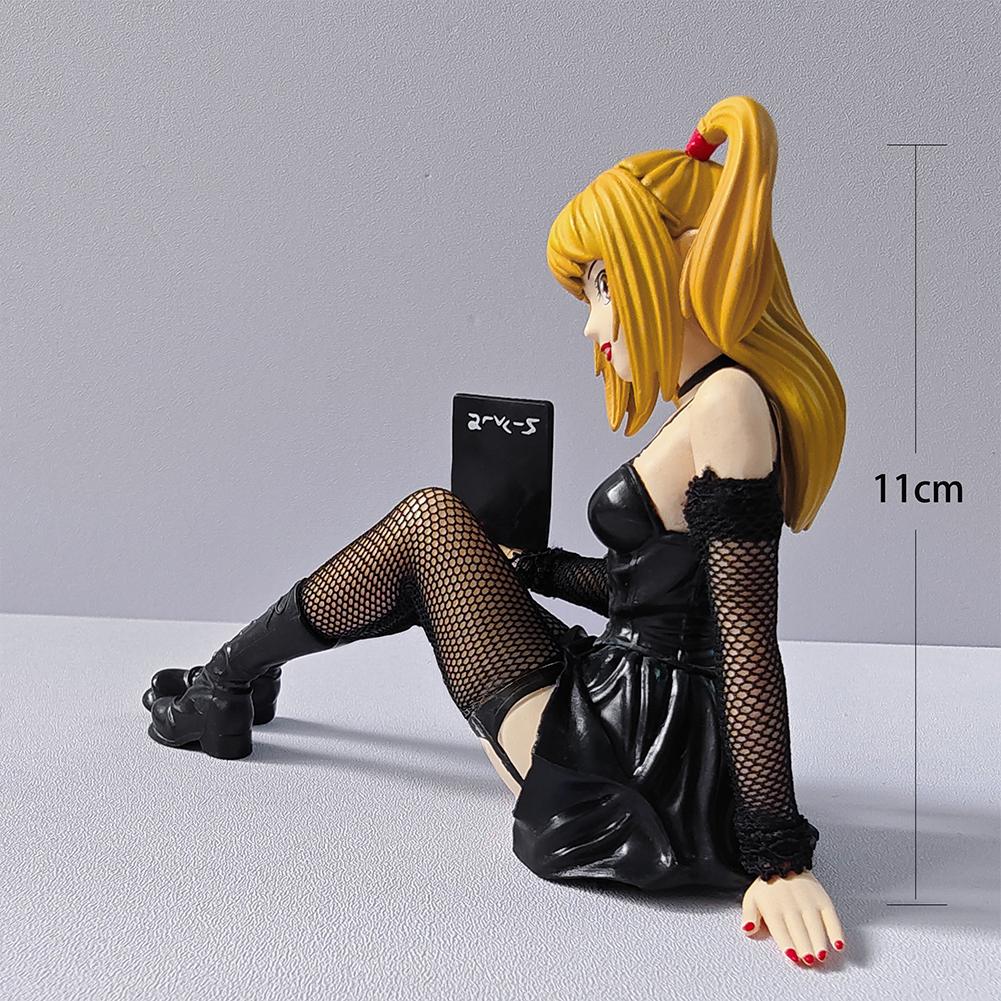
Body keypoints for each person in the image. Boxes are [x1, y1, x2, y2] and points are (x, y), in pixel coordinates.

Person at [144, 94, 847, 968]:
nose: (592, 323)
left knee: (428, 521)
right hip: (626, 695)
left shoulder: (730, 404)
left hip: (634, 754)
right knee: (438, 529)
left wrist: (777, 856)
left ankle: (224, 687)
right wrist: (536, 567)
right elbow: (655, 594)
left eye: (602, 285)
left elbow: (743, 634)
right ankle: (232, 684)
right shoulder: (713, 400)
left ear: (684, 262)